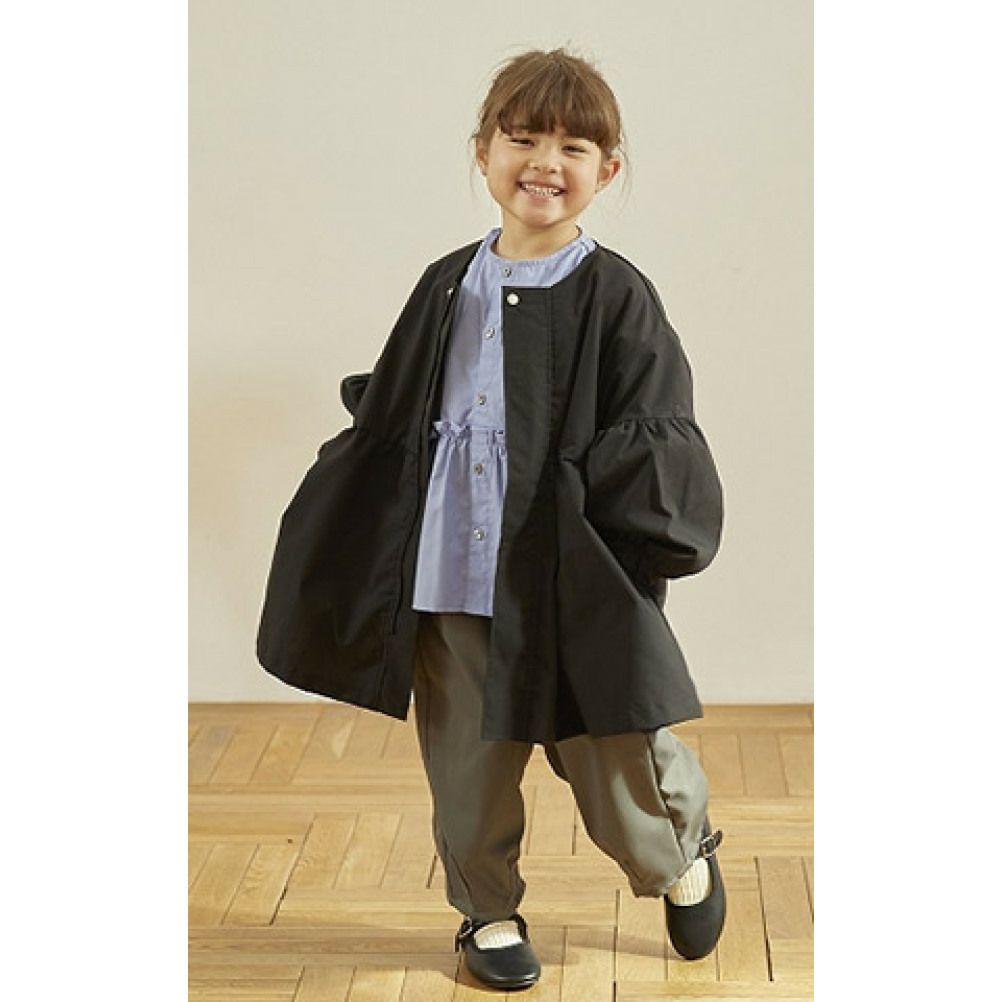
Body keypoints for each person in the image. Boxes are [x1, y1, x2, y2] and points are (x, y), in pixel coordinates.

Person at [256, 47, 726, 993]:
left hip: (569, 575)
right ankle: (488, 910)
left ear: (608, 170)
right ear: (483, 153)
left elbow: (654, 428)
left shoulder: (617, 295)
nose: (545, 163)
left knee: (612, 748)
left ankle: (679, 854)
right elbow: (396, 414)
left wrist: (625, 540)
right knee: (465, 761)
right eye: (522, 139)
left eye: (573, 147)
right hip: (454, 573)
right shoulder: (446, 284)